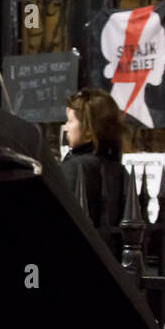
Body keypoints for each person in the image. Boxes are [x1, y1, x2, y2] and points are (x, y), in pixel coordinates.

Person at [61, 87, 129, 249]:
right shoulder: (119, 170)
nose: (65, 128)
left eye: (70, 121)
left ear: (89, 129)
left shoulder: (75, 167)